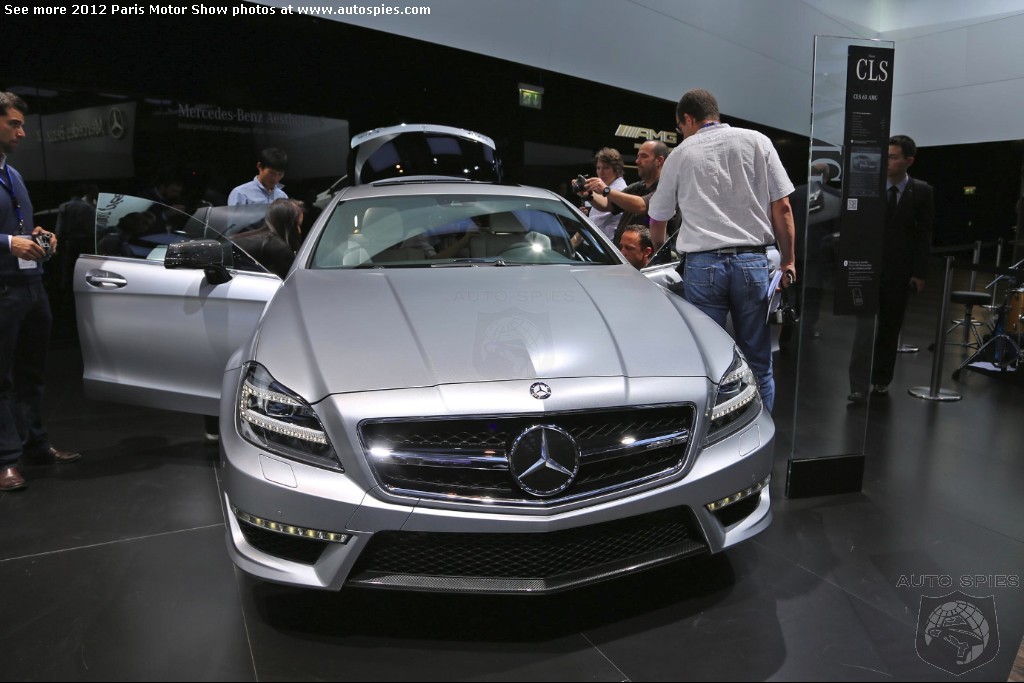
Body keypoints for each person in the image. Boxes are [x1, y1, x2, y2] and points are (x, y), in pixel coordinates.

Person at [648, 88, 796, 413]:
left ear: (688, 119)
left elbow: (658, 217)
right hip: (752, 263)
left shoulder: (681, 154)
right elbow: (783, 207)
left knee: (708, 360)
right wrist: (788, 260)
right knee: (758, 358)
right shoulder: (758, 141)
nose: (682, 133)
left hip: (703, 266)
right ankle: (763, 429)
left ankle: (716, 435)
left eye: (680, 127)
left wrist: (661, 249)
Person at [0, 92, 81, 491]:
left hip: (31, 286)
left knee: (31, 374)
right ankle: (5, 461)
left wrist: (37, 235)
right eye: (14, 123)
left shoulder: (12, 174)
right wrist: (7, 243)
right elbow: (7, 238)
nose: (22, 132)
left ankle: (35, 445)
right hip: (2, 289)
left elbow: (20, 227)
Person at [847, 135, 933, 402]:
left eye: (894, 157)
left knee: (890, 328)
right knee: (864, 331)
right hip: (867, 270)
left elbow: (924, 235)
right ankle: (858, 386)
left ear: (909, 161)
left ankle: (882, 380)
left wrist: (919, 273)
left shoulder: (922, 191)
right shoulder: (867, 187)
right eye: (885, 156)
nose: (887, 162)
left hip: (899, 272)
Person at [580, 139, 680, 246]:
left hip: (654, 254)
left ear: (659, 161)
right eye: (638, 156)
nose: (637, 161)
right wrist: (589, 195)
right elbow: (608, 205)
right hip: (626, 253)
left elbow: (642, 206)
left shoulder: (667, 187)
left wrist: (606, 190)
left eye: (644, 156)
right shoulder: (637, 187)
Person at [229, 198, 303, 279]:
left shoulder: (239, 238)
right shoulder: (279, 248)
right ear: (287, 224)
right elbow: (292, 280)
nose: (299, 231)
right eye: (297, 225)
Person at [583, 147, 627, 240]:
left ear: (616, 169)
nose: (601, 172)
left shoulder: (620, 189)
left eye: (606, 168)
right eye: (598, 168)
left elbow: (604, 207)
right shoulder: (604, 187)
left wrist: (588, 195)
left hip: (608, 243)